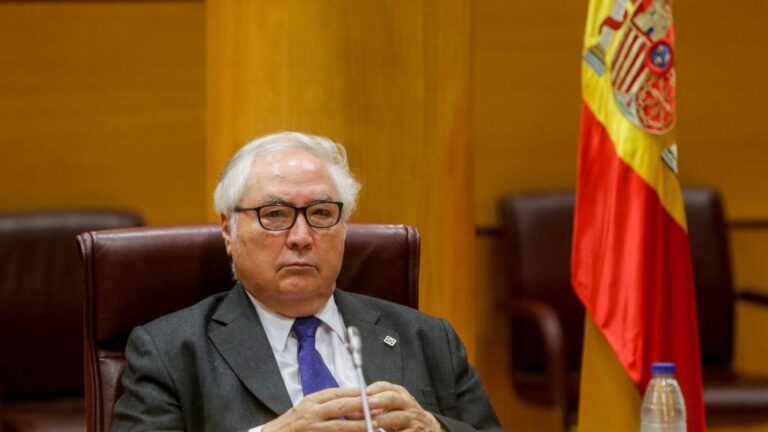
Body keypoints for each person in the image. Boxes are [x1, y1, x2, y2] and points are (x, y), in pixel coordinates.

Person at [112, 131, 501, 431]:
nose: (300, 236)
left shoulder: (429, 340)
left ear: (344, 228)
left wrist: (432, 427)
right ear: (228, 231)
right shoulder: (170, 354)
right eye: (276, 214)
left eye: (320, 213)